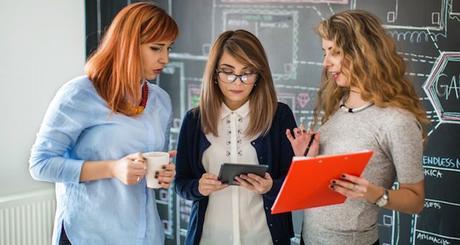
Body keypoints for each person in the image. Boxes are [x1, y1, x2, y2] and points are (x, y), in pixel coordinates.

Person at [29, 2, 178, 244]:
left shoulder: (160, 101)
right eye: (156, 48)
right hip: (89, 234)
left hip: (144, 234)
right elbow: (40, 165)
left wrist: (163, 172)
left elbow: (143, 164)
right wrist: (112, 168)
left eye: (169, 48)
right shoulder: (80, 93)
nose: (165, 58)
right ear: (128, 46)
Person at [286, 10, 429, 245]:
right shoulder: (339, 104)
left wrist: (373, 194)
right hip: (308, 238)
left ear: (363, 52)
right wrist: (308, 159)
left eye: (336, 52)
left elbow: (416, 200)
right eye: (325, 52)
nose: (325, 63)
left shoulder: (398, 121)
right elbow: (329, 183)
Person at [175, 30, 296, 245]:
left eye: (247, 73)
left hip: (264, 239)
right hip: (209, 238)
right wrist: (199, 187)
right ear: (214, 73)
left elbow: (294, 186)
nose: (237, 82)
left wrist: (270, 188)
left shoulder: (280, 116)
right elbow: (181, 183)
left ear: (259, 75)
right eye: (228, 72)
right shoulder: (194, 120)